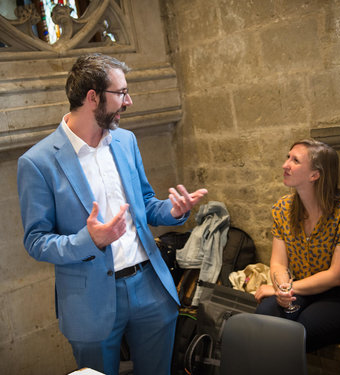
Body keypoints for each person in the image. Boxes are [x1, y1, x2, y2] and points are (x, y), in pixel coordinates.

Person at [17, 53, 208, 375]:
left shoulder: (125, 141)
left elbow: (144, 203)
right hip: (90, 300)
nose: (129, 101)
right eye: (121, 93)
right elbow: (36, 241)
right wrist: (88, 239)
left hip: (149, 285)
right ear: (92, 97)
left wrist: (172, 211)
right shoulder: (38, 162)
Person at [255, 139, 340, 351]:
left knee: (302, 330)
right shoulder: (283, 208)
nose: (285, 165)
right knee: (265, 317)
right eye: (287, 157)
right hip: (303, 288)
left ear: (314, 175)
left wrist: (282, 288)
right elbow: (279, 263)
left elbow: (337, 276)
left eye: (295, 160)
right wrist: (281, 289)